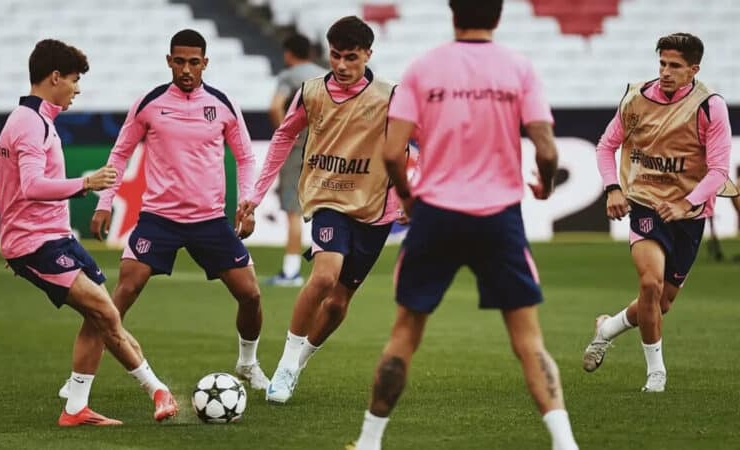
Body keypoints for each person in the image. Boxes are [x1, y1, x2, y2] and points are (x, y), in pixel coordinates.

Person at [350, 1, 580, 449]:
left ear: (453, 13)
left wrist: (410, 200)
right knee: (529, 341)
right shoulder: (519, 68)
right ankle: (564, 442)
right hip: (499, 217)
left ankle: (369, 441)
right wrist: (547, 185)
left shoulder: (423, 68)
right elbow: (547, 150)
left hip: (437, 214)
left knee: (405, 333)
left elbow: (393, 153)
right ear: (498, 15)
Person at [56, 29, 270, 404]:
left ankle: (247, 364)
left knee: (250, 294)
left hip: (210, 220)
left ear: (205, 63)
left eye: (194, 62)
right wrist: (106, 201)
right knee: (113, 299)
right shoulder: (150, 103)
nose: (186, 69)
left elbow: (247, 157)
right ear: (169, 61)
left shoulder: (222, 104)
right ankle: (78, 382)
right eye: (179, 61)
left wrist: (248, 202)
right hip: (159, 220)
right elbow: (120, 154)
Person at [0, 39, 176, 426]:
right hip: (37, 244)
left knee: (98, 317)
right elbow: (31, 186)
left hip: (52, 239)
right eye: (74, 80)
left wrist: (10, 235)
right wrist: (86, 183)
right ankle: (158, 390)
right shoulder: (29, 124)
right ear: (55, 77)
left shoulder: (30, 121)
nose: (77, 89)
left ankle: (76, 407)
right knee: (106, 311)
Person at [240, 16, 406, 404]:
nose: (343, 65)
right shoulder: (311, 92)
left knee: (337, 305)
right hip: (327, 198)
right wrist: (258, 192)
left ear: (368, 54)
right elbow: (284, 137)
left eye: (352, 57)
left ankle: (299, 363)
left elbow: (417, 144)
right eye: (336, 56)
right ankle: (284, 364)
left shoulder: (389, 96)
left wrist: (416, 196)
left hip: (375, 207)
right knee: (325, 276)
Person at [583, 33, 733, 392]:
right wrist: (613, 188)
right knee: (649, 283)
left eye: (675, 66)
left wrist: (685, 203)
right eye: (662, 64)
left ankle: (606, 329)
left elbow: (719, 172)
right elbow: (607, 147)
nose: (666, 72)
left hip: (689, 214)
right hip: (645, 203)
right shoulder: (636, 98)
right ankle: (656, 374)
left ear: (693, 69)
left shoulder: (710, 107)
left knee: (660, 303)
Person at [266, 34, 325, 287]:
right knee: (326, 210)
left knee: (294, 211)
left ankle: (291, 271)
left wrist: (287, 135)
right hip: (323, 149)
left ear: (289, 53)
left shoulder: (289, 76)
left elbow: (275, 106)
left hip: (298, 148)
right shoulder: (324, 75)